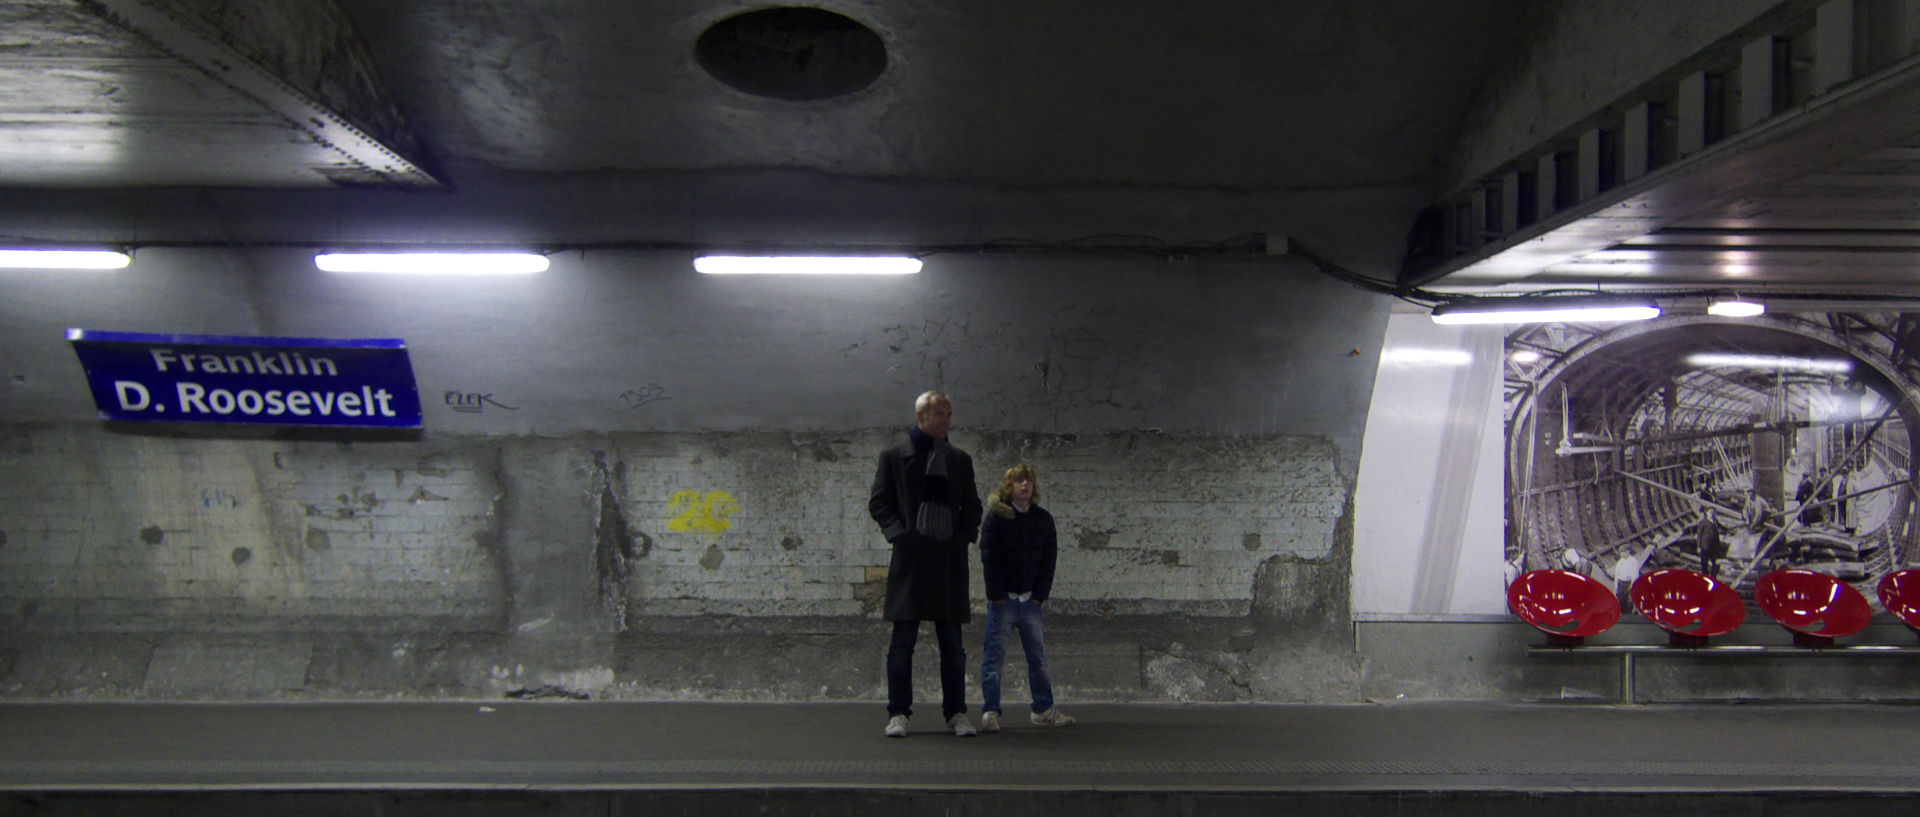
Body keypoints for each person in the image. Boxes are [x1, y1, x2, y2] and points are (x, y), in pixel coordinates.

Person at [869, 390, 983, 738]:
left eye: (949, 415)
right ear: (921, 418)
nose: (946, 421)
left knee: (953, 644)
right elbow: (879, 503)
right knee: (902, 643)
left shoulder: (959, 460)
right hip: (911, 561)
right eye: (939, 415)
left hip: (948, 562)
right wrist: (900, 535)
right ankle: (899, 713)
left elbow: (973, 507)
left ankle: (956, 714)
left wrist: (961, 537)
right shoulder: (894, 456)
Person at [977, 464, 1073, 731]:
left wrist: (1040, 596)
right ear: (1010, 486)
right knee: (994, 659)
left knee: (1038, 659)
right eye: (1019, 481)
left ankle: (1042, 709)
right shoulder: (996, 518)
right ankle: (991, 711)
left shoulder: (1043, 519)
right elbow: (988, 558)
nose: (1024, 485)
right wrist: (996, 595)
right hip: (1003, 602)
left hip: (1031, 602)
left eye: (1028, 481)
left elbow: (1049, 559)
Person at [1694, 503, 1724, 581]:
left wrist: (1729, 530)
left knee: (1715, 563)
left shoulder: (1715, 522)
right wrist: (1698, 546)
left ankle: (1713, 577)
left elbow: (1721, 528)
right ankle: (1705, 578)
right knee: (1704, 564)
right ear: (1706, 513)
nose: (1712, 514)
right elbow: (1699, 535)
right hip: (1705, 546)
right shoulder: (1703, 522)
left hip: (1714, 547)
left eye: (1713, 512)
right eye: (1710, 512)